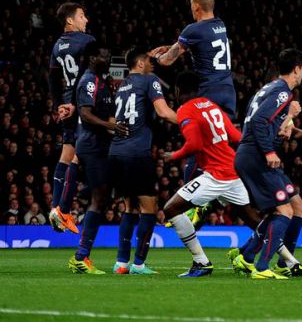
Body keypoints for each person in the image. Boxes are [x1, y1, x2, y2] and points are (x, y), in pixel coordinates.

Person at [161, 71, 263, 278]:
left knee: (170, 208)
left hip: (216, 175)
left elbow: (195, 144)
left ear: (178, 91)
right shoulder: (210, 105)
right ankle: (289, 260)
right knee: (253, 219)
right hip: (233, 171)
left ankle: (201, 262)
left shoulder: (185, 110)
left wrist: (174, 155)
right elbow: (236, 136)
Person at [231, 49, 302, 280]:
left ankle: (252, 258)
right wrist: (269, 151)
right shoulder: (282, 92)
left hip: (254, 155)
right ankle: (261, 267)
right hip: (256, 156)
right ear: (297, 68)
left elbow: (274, 127)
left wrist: (297, 129)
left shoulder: (268, 89)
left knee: (297, 207)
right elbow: (259, 122)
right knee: (284, 211)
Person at [149, 0, 236, 186]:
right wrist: (174, 46)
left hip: (209, 92)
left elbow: (167, 61)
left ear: (196, 7)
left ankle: (188, 200)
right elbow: (200, 43)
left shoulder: (193, 29)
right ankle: (222, 187)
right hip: (228, 92)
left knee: (198, 145)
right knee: (219, 145)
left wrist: (156, 56)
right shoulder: (220, 25)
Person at [110, 47, 177, 275]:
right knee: (149, 208)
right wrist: (193, 121)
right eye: (149, 60)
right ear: (140, 64)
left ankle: (121, 263)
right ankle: (138, 264)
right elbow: (164, 112)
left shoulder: (122, 87)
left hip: (117, 153)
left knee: (129, 207)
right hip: (137, 153)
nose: (153, 63)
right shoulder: (149, 80)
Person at [68, 42, 127, 274]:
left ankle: (83, 255)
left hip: (100, 146)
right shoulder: (89, 80)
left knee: (101, 197)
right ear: (93, 57)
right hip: (92, 146)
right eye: (104, 53)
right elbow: (85, 113)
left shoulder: (102, 81)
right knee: (99, 197)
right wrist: (109, 125)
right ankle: (81, 257)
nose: (108, 56)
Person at [48, 2, 95, 234]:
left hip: (66, 105)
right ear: (70, 20)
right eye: (82, 16)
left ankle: (56, 207)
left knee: (67, 153)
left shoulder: (57, 45)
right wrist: (76, 104)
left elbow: (52, 78)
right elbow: (88, 72)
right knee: (80, 156)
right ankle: (64, 210)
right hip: (80, 104)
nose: (86, 20)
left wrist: (59, 106)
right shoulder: (87, 42)